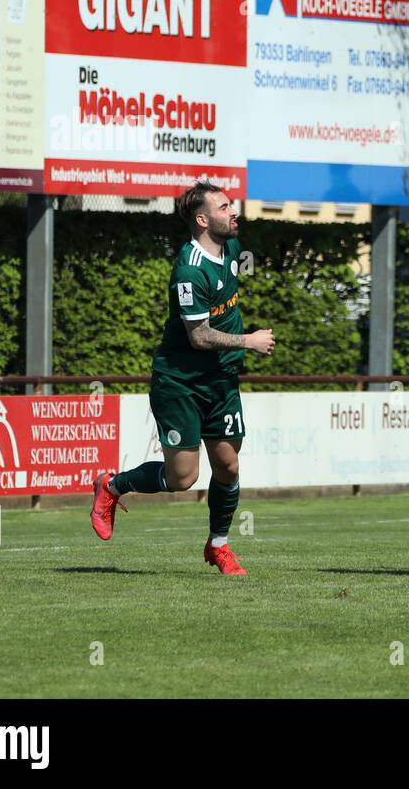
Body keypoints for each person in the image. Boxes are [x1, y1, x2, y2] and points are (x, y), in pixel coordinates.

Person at [90, 182, 276, 575]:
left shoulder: (229, 250)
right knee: (183, 478)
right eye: (225, 207)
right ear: (203, 219)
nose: (234, 211)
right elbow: (199, 335)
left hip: (221, 380)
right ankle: (112, 486)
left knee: (228, 465)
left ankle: (219, 546)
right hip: (179, 384)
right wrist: (249, 340)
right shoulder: (189, 269)